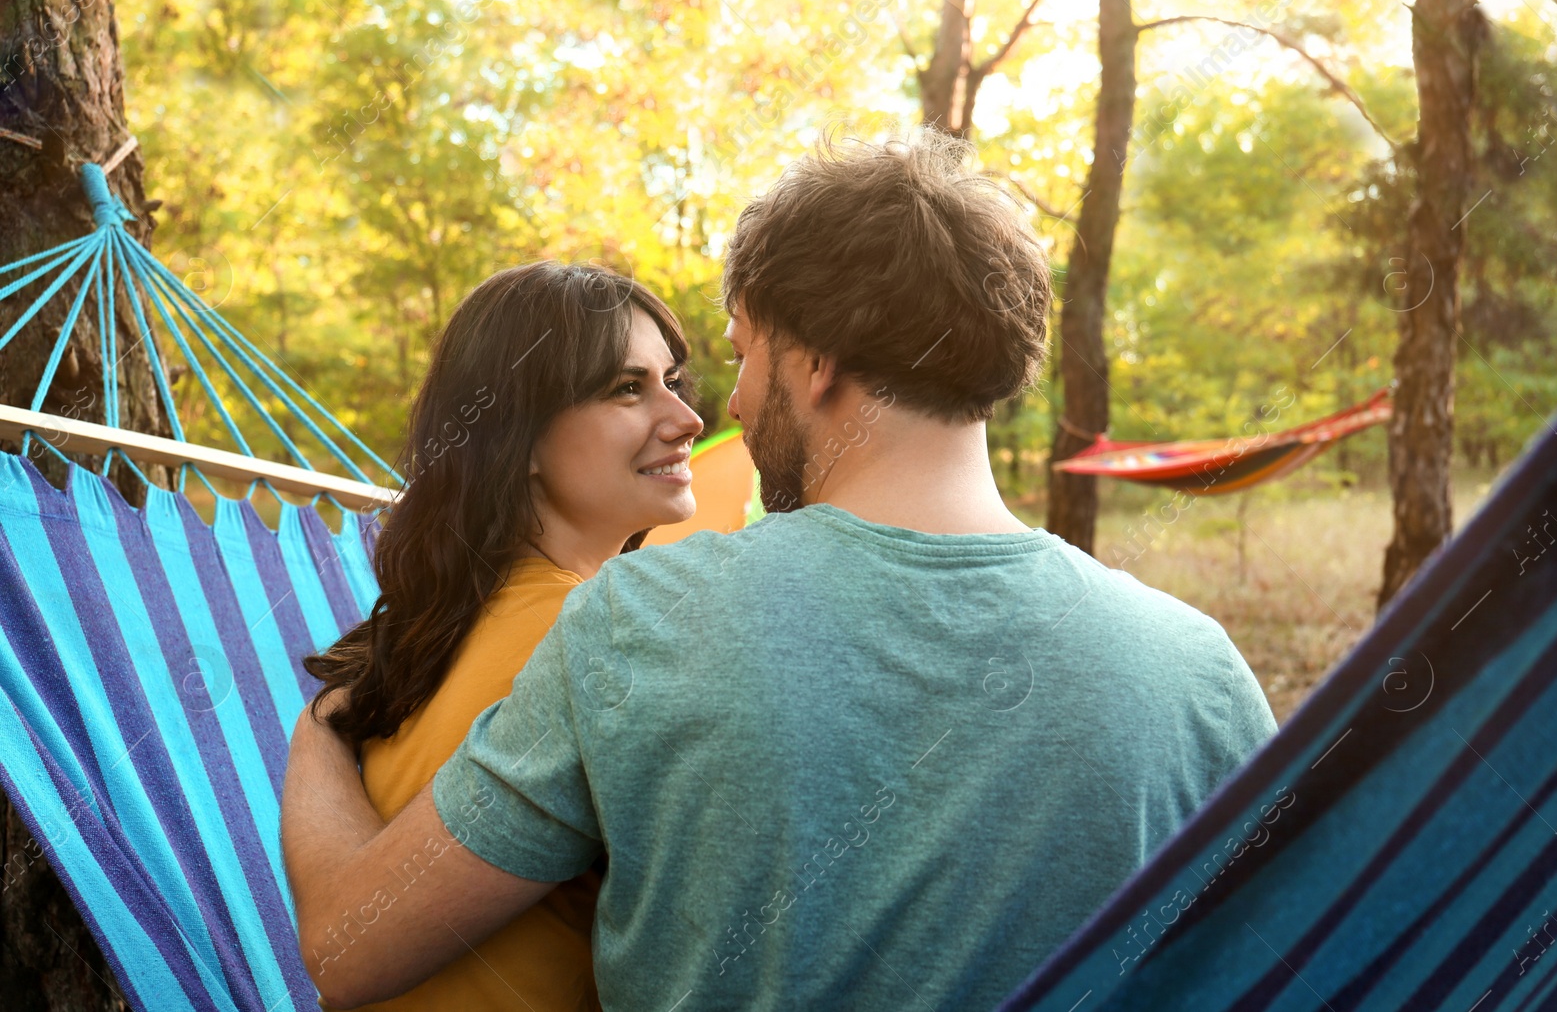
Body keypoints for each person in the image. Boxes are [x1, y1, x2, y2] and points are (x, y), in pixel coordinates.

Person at [283, 130, 1278, 1011]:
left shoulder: (645, 622)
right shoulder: (1200, 674)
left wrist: (324, 735)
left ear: (814, 362)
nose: (730, 407)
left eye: (741, 354)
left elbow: (347, 949)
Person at [297, 261, 703, 1011]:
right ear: (518, 440)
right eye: (627, 387)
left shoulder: (432, 634)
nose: (687, 419)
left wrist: (317, 731)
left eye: (674, 381)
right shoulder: (594, 638)